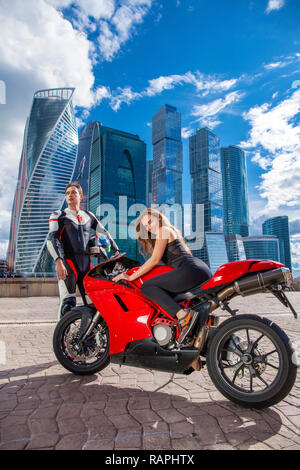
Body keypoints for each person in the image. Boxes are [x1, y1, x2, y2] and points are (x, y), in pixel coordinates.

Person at [112, 208, 212, 343]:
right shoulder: (167, 232)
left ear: (158, 218)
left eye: (149, 221)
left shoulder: (163, 230)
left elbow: (154, 260)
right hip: (197, 269)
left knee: (147, 287)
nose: (148, 227)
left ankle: (184, 316)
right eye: (145, 226)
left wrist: (130, 277)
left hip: (190, 269)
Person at [47, 182, 119, 319]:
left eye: (73, 192)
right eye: (67, 193)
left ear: (81, 196)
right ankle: (61, 339)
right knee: (68, 305)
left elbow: (104, 232)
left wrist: (116, 251)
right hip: (68, 264)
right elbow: (51, 239)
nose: (70, 195)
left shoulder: (89, 215)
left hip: (87, 265)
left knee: (92, 305)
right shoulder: (59, 215)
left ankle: (89, 339)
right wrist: (58, 261)